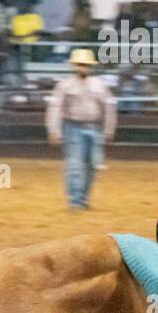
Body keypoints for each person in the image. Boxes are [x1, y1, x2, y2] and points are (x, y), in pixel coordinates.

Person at [46, 48, 115, 211]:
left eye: (84, 65)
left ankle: (82, 199)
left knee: (92, 164)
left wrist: (108, 130)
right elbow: (55, 108)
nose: (81, 68)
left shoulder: (99, 85)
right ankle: (76, 201)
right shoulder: (64, 85)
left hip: (94, 127)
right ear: (74, 66)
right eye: (79, 64)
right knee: (75, 164)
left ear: (89, 67)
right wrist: (53, 129)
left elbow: (108, 107)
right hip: (73, 127)